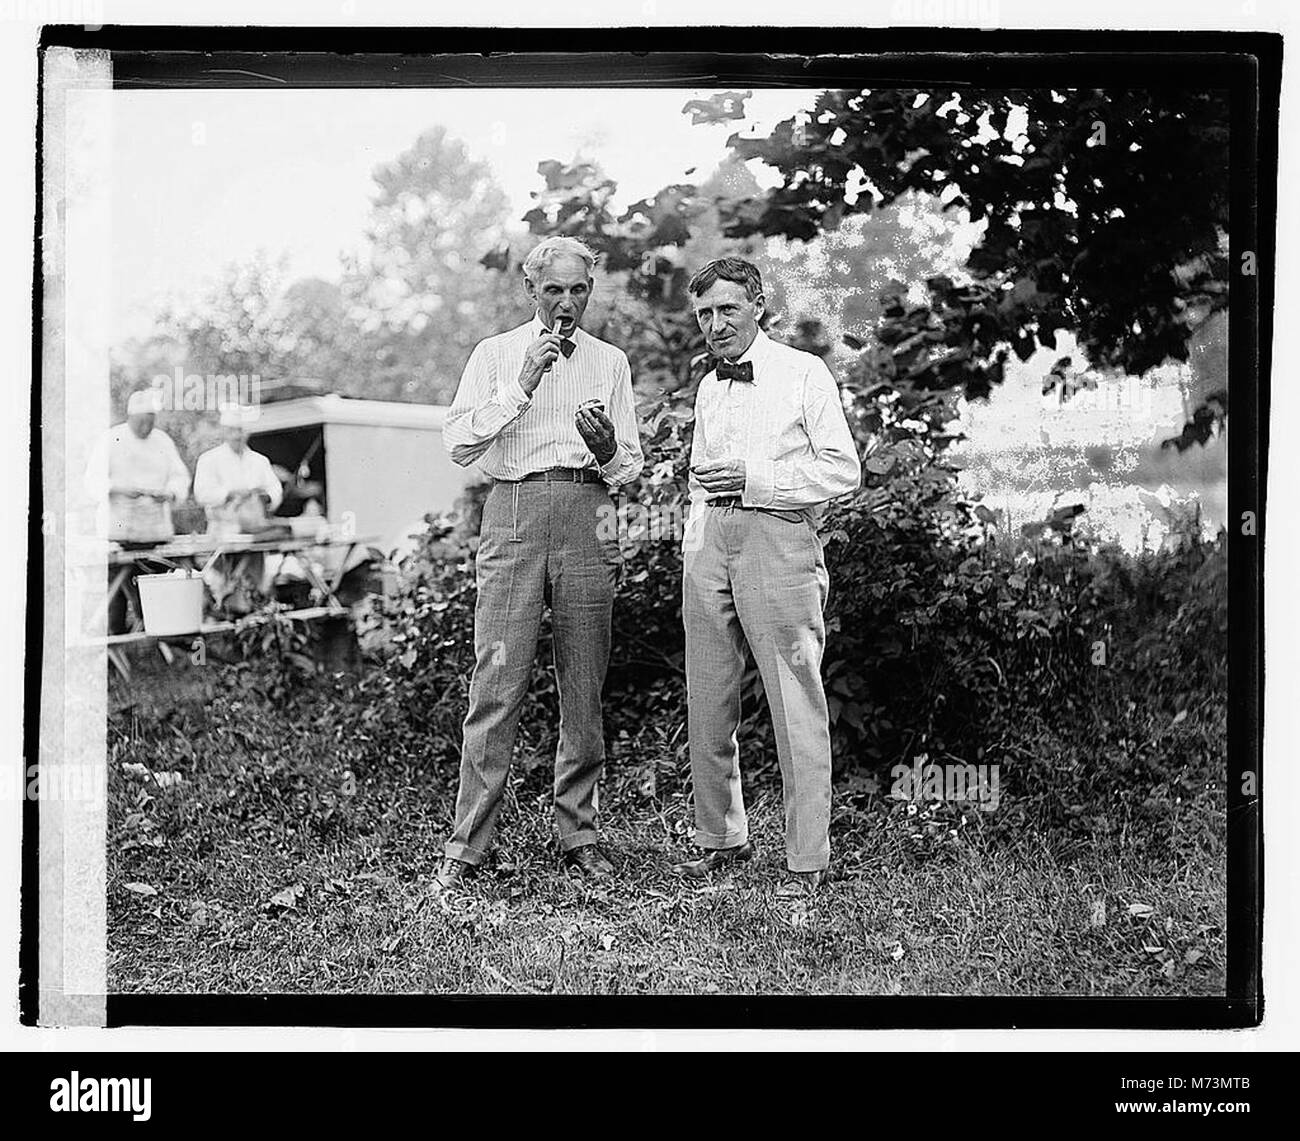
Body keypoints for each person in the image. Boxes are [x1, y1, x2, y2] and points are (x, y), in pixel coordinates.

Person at [431, 236, 644, 894]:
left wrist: (608, 447)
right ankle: (469, 843)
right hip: (514, 510)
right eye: (554, 290)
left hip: (586, 508)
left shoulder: (610, 361)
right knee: (496, 679)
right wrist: (520, 384)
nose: (567, 302)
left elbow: (629, 465)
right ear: (531, 292)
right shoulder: (495, 354)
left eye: (579, 289)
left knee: (585, 680)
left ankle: (579, 832)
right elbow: (459, 443)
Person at [673, 257, 861, 898]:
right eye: (704, 314)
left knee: (794, 698)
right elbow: (703, 476)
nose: (716, 324)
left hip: (777, 540)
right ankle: (719, 839)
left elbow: (843, 472)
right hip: (709, 546)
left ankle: (807, 860)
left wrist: (759, 482)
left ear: (758, 304)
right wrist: (695, 540)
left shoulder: (804, 373)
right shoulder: (708, 386)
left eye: (727, 309)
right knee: (709, 698)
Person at [83, 389, 192, 632]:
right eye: (141, 421)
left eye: (150, 421)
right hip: (120, 529)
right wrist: (117, 489)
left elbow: (179, 477)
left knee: (158, 583)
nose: (146, 426)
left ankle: (161, 634)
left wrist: (170, 493)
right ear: (130, 417)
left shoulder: (162, 441)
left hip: (155, 529)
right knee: (118, 587)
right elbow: (92, 481)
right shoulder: (111, 439)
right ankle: (117, 636)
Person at [193, 404, 284, 533]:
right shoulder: (208, 459)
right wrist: (230, 494)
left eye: (240, 430)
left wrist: (265, 497)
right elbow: (202, 494)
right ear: (224, 431)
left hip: (256, 529)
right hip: (223, 531)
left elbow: (275, 488)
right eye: (231, 430)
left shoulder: (260, 461)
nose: (236, 436)